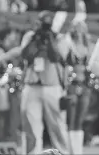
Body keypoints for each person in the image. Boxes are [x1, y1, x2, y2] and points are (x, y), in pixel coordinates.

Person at [20, 11, 70, 155]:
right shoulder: (30, 36)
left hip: (52, 86)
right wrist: (36, 38)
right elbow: (26, 56)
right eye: (43, 22)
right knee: (30, 126)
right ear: (39, 22)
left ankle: (62, 153)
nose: (45, 26)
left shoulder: (60, 38)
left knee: (58, 126)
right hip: (32, 85)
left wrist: (50, 39)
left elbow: (55, 57)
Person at [63, 20, 92, 155]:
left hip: (85, 85)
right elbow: (64, 65)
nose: (80, 30)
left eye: (82, 27)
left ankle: (78, 150)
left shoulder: (88, 46)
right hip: (72, 85)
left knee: (80, 119)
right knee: (71, 119)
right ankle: (70, 150)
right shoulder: (69, 45)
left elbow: (92, 66)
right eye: (77, 27)